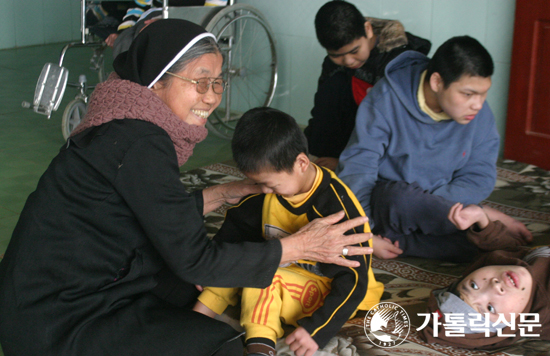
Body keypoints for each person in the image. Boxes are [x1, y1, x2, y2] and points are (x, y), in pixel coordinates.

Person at [0, 20, 375, 356]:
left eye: (217, 82)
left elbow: (149, 208)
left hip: (57, 291)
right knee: (222, 342)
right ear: (158, 80)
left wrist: (221, 194)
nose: (212, 96)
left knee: (193, 292)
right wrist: (299, 246)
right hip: (58, 319)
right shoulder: (141, 143)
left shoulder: (122, 121)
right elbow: (196, 259)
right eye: (199, 81)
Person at [192, 107, 402, 356]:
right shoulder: (267, 189)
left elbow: (354, 281)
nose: (264, 191)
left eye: (271, 184)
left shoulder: (337, 208)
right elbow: (236, 228)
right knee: (241, 260)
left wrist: (317, 329)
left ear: (301, 163)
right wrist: (211, 268)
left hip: (327, 288)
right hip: (286, 270)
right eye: (258, 183)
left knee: (264, 276)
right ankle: (196, 319)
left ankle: (260, 345)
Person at [337, 35, 532, 262]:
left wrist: (433, 207)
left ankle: (403, 239)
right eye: (468, 94)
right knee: (401, 200)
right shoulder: (386, 99)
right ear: (437, 82)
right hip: (391, 203)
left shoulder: (479, 113)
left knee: (480, 248)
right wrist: (365, 233)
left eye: (483, 93)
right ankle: (483, 219)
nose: (478, 104)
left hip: (443, 208)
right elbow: (359, 168)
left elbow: (479, 177)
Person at [303, 0, 431, 171]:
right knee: (334, 83)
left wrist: (345, 162)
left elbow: (400, 126)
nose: (348, 60)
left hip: (386, 144)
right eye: (336, 55)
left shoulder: (398, 61)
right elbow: (322, 111)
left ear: (368, 30)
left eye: (355, 51)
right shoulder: (333, 63)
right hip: (348, 137)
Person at [418, 238, 550, 349]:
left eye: (473, 285)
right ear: (510, 327)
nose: (495, 285)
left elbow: (509, 246)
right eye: (490, 308)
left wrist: (483, 224)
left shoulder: (500, 266)